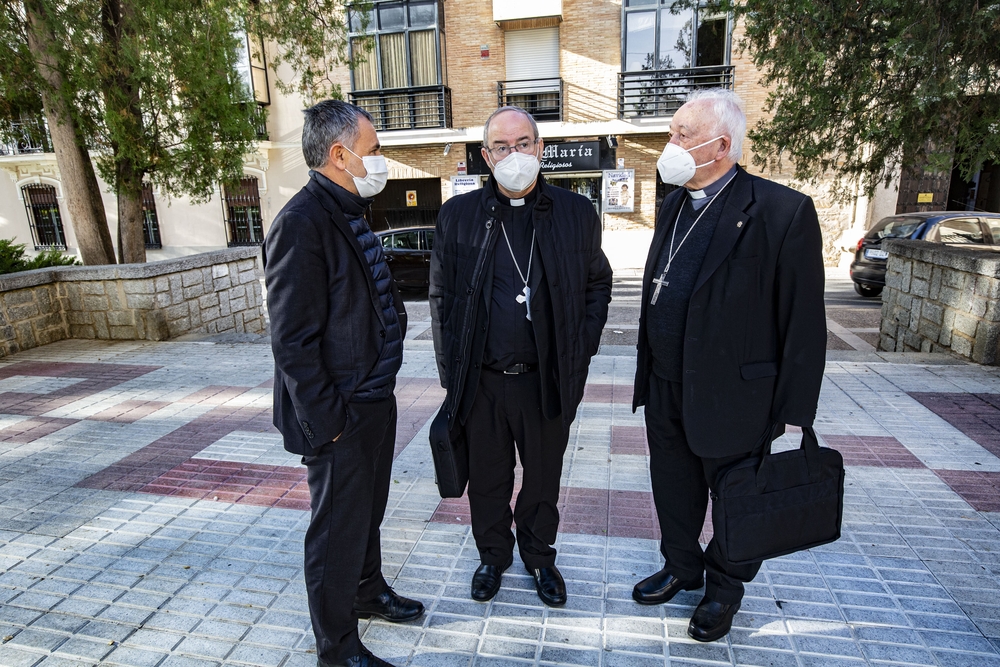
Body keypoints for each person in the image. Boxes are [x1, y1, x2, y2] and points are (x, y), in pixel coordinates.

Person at [631, 89, 826, 642]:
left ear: (720, 145)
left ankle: (723, 590)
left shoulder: (782, 212)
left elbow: (804, 322)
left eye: (680, 135)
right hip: (667, 385)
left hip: (737, 397)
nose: (669, 144)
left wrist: (792, 411)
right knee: (672, 489)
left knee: (737, 501)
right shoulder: (672, 205)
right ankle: (681, 566)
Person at [429, 106, 613, 607]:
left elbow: (598, 283)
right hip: (483, 381)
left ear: (541, 148)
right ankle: (493, 556)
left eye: (524, 143)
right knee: (487, 480)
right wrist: (453, 381)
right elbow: (442, 301)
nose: (515, 155)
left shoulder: (576, 214)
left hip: (546, 380)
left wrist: (583, 344)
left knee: (542, 479)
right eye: (503, 147)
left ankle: (538, 556)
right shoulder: (458, 216)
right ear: (486, 157)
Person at [264, 100, 424, 667]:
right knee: (335, 529)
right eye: (374, 150)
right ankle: (337, 648)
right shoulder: (302, 223)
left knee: (367, 510)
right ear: (340, 154)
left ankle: (367, 590)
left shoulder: (349, 210)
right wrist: (329, 423)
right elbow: (293, 342)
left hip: (373, 399)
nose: (380, 161)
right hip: (340, 415)